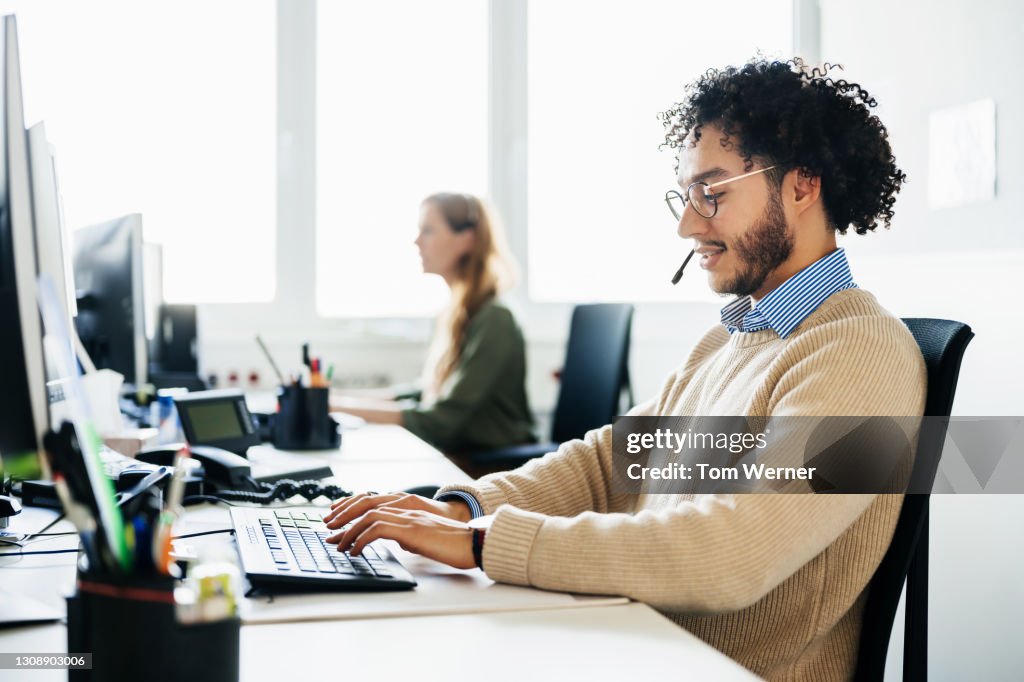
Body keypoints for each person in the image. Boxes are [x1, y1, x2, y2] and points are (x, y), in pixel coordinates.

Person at [322, 59, 926, 681]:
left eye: (712, 193)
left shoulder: (865, 355)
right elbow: (606, 466)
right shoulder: (730, 340)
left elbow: (732, 552)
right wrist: (463, 507)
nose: (688, 223)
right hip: (640, 642)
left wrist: (485, 543)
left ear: (802, 186)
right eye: (687, 195)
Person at [331, 192, 536, 454]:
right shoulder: (457, 311)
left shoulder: (495, 318)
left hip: (492, 466)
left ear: (467, 239)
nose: (417, 242)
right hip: (461, 456)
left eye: (428, 231)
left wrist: (337, 406)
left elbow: (440, 420)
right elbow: (429, 391)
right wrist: (343, 399)